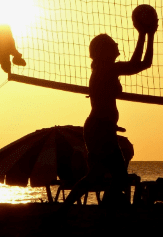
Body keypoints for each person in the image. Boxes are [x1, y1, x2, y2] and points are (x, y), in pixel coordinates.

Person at [63, 22, 156, 207]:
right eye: (113, 43)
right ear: (105, 50)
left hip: (101, 127)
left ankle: (69, 208)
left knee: (99, 175)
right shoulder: (107, 69)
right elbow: (138, 64)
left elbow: (143, 63)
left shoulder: (105, 69)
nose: (117, 46)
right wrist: (145, 33)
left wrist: (148, 34)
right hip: (99, 128)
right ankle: (92, 208)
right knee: (114, 176)